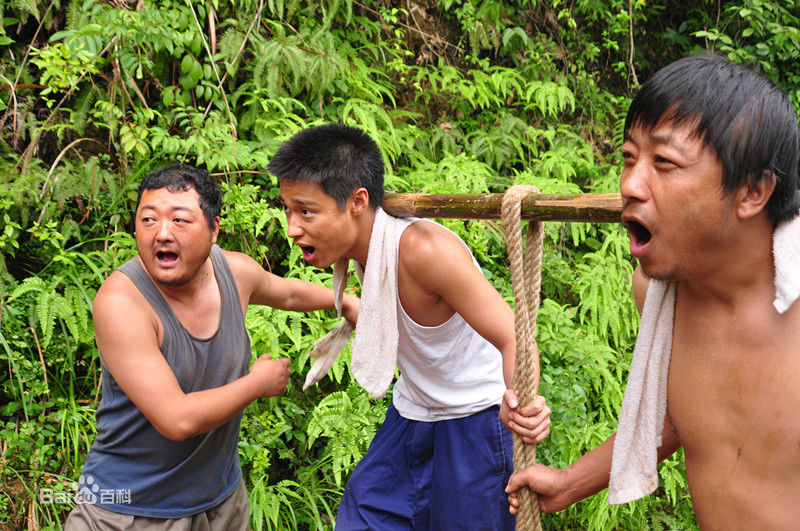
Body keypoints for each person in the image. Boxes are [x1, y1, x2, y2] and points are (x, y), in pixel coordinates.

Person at [506, 53, 800, 528]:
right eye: (628, 157)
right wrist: (570, 481)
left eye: (663, 162)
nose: (629, 184)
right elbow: (680, 418)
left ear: (752, 191)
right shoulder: (662, 295)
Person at [268, 123, 552, 530]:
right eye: (288, 210)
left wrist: (523, 406)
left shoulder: (425, 251)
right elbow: (385, 309)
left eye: (306, 211)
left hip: (476, 418)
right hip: (412, 414)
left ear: (358, 202)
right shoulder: (364, 248)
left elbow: (512, 336)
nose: (293, 227)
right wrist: (354, 306)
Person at [65, 164, 358, 530]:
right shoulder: (122, 304)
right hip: (130, 512)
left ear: (214, 229)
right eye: (148, 220)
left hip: (221, 506)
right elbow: (176, 419)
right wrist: (258, 383)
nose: (162, 234)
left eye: (180, 221)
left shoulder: (235, 273)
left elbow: (287, 291)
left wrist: (345, 302)